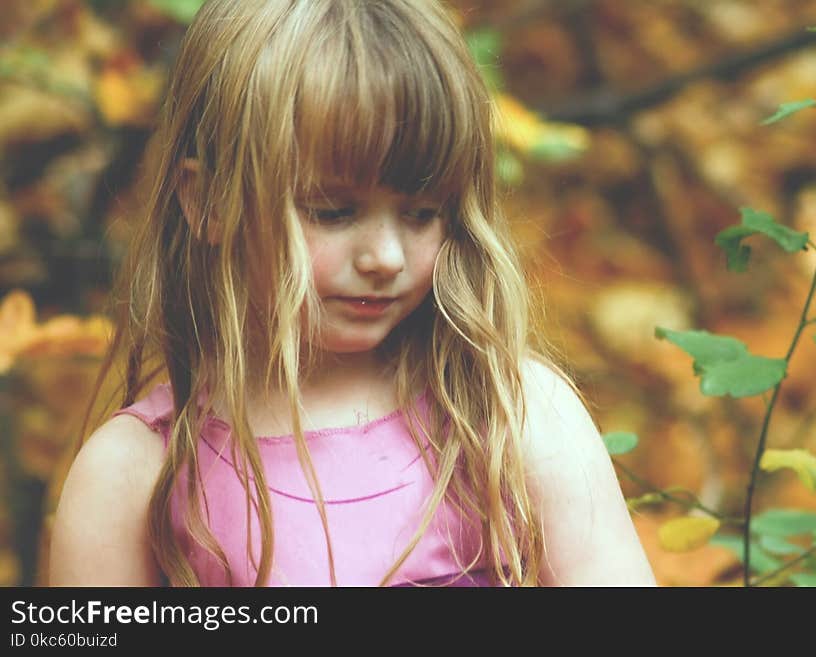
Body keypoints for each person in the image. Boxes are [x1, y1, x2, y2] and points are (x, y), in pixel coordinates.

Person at [48, 0, 656, 587]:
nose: (385, 258)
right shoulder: (135, 474)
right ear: (207, 201)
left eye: (421, 214)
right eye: (333, 212)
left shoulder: (508, 415)